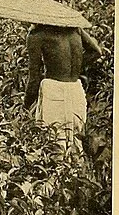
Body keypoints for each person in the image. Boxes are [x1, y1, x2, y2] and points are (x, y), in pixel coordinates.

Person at [24, 25, 103, 153]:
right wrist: (74, 68)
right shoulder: (76, 30)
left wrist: (25, 107)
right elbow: (96, 52)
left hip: (53, 91)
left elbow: (34, 78)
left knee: (53, 146)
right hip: (76, 89)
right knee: (76, 144)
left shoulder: (36, 35)